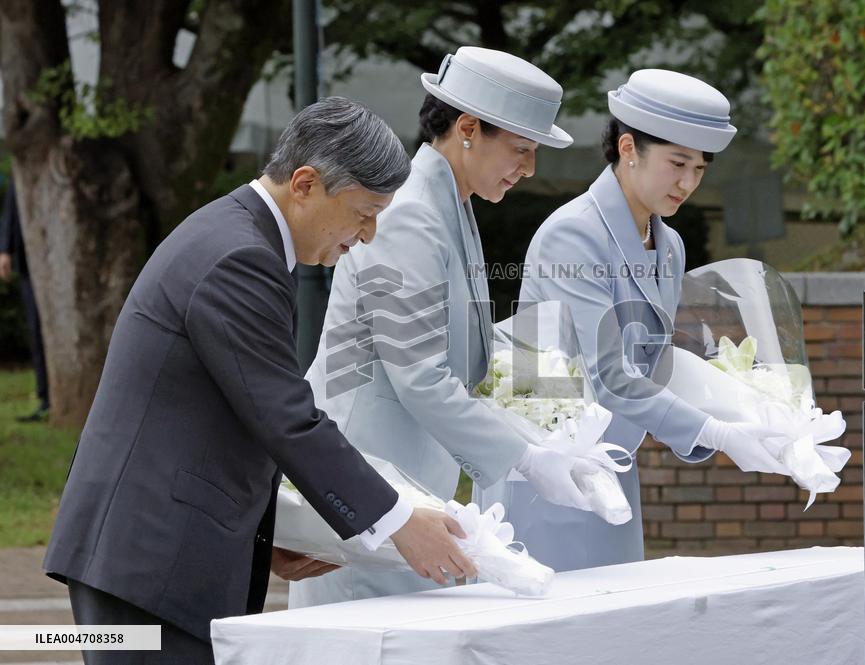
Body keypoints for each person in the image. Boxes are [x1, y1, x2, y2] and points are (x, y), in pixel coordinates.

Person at [43, 97, 476, 664]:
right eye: (364, 213)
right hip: (147, 565)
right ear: (304, 184)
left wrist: (269, 538)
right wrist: (397, 522)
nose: (367, 235)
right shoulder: (239, 258)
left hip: (150, 556)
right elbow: (287, 418)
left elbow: (233, 414)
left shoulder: (242, 238)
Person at [289, 47, 590, 607]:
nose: (529, 169)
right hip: (366, 473)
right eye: (522, 150)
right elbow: (420, 374)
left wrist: (556, 392)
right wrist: (527, 457)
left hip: (404, 476)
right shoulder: (412, 211)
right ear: (468, 128)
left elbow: (463, 341)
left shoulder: (451, 203)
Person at [480, 69, 785, 572]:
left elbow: (655, 363)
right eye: (677, 163)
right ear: (627, 149)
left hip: (615, 466)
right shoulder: (572, 236)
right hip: (549, 474)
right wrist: (716, 432)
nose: (688, 183)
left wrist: (743, 411)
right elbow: (610, 375)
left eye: (701, 169)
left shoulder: (670, 244)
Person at [0, 176, 50, 421]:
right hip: (28, 264)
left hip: (54, 262)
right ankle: (45, 397)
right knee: (36, 330)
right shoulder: (21, 170)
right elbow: (11, 208)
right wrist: (5, 249)